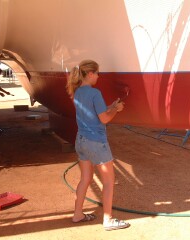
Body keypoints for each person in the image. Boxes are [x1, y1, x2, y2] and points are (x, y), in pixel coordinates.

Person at [66, 59, 130, 231]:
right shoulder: (95, 93)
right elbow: (104, 118)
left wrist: (112, 106)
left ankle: (77, 214)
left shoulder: (78, 91)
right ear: (90, 74)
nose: (99, 76)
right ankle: (108, 220)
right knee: (109, 181)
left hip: (81, 140)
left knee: (85, 178)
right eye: (97, 73)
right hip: (96, 142)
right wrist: (117, 110)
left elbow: (96, 112)